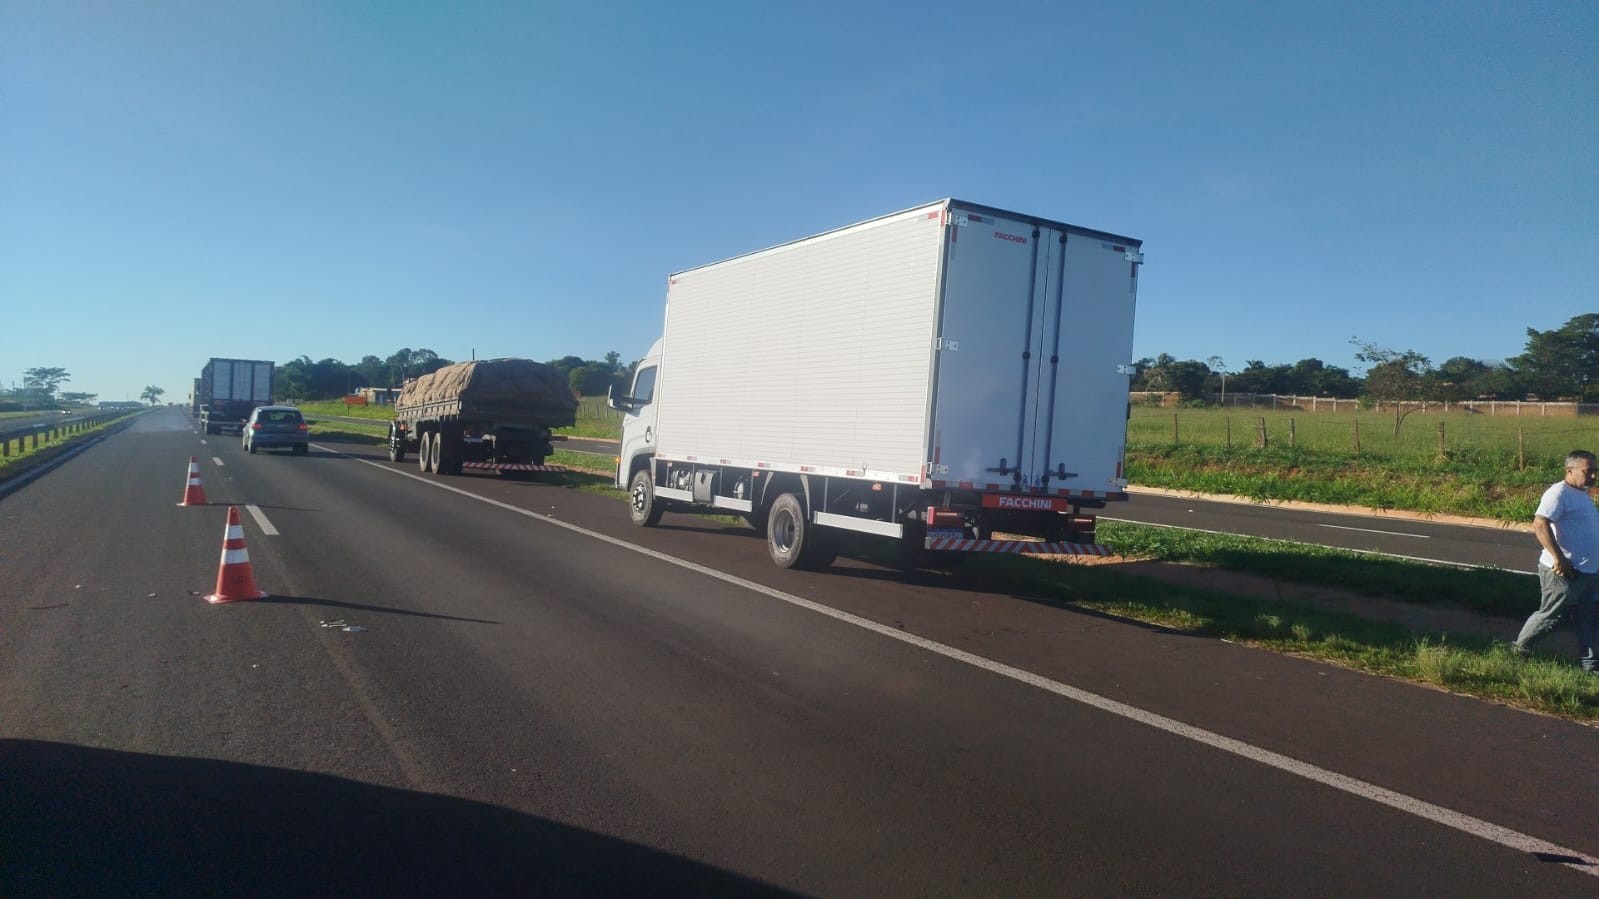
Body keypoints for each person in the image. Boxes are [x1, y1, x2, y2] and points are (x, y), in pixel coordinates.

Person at [1512, 450, 1599, 671]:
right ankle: (1519, 650)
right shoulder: (1558, 493)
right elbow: (1540, 524)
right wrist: (1559, 559)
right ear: (1569, 470)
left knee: (1589, 617)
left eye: (1595, 471)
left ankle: (1590, 665)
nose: (1593, 476)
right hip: (1565, 571)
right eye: (1588, 471)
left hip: (1589, 571)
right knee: (1552, 615)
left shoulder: (1582, 494)